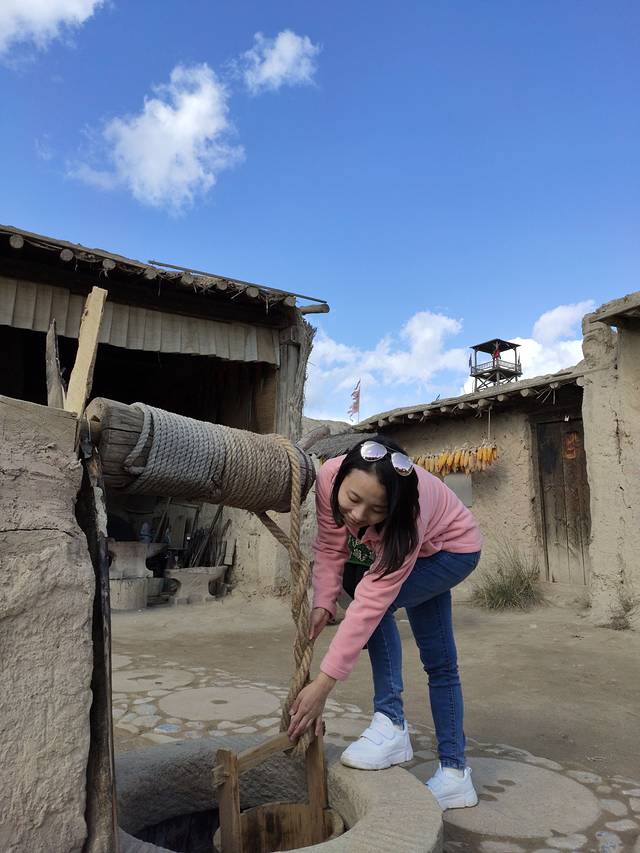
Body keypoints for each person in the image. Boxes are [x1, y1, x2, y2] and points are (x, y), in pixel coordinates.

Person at [287, 437, 483, 810]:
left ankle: (395, 727)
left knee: (386, 617)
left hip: (454, 551)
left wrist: (323, 685)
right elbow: (330, 547)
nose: (359, 516)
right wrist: (324, 602)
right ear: (341, 476)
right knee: (427, 651)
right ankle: (454, 775)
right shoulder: (328, 478)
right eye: (353, 499)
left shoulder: (407, 518)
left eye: (377, 509)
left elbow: (371, 601)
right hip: (429, 545)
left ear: (393, 506)